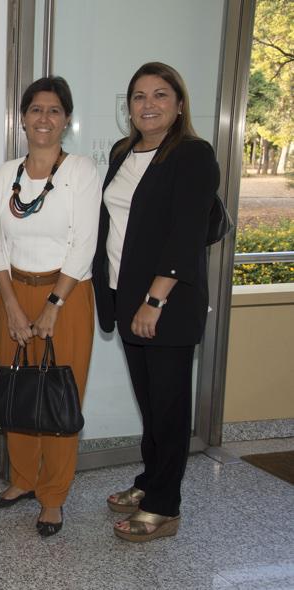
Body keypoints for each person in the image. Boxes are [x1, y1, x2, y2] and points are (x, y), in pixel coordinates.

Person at [92, 62, 219, 543]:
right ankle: (150, 482)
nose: (148, 105)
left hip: (166, 303)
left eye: (160, 95)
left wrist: (154, 301)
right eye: (139, 96)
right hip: (127, 299)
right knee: (150, 402)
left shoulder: (193, 155)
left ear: (179, 103)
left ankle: (165, 506)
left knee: (168, 407)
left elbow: (186, 235)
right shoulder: (126, 152)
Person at [0, 76, 100, 537]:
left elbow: (84, 243)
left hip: (67, 297)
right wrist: (11, 304)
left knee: (58, 394)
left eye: (54, 110)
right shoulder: (4, 173)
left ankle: (53, 497)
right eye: (36, 109)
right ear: (23, 118)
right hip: (13, 294)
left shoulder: (81, 172)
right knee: (19, 388)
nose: (44, 119)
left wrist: (53, 304)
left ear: (66, 119)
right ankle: (21, 481)